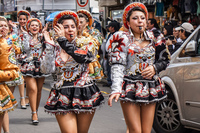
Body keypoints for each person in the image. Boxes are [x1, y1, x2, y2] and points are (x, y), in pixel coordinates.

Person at [107, 2, 170, 133]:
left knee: (146, 131)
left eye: (142, 18)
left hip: (150, 86)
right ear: (128, 23)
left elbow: (165, 59)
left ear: (146, 21)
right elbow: (117, 65)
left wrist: (154, 68)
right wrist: (116, 89)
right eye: (135, 18)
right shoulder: (121, 39)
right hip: (129, 85)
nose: (139, 21)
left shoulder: (156, 37)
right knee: (136, 130)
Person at [40, 10, 104, 133]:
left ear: (77, 28)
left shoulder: (87, 43)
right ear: (58, 29)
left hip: (84, 92)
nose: (70, 30)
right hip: (62, 92)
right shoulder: (54, 47)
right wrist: (49, 44)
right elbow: (46, 70)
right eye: (65, 27)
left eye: (73, 27)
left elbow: (83, 58)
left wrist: (63, 41)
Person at [20, 18, 50, 125]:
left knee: (39, 90)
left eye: (36, 25)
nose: (34, 27)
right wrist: (26, 36)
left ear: (40, 27)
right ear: (29, 27)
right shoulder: (25, 37)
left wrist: (46, 35)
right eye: (32, 25)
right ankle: (34, 113)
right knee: (32, 89)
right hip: (29, 65)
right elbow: (26, 49)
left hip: (40, 65)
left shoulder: (43, 38)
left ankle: (35, 110)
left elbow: (49, 48)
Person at [0, 16, 19, 133]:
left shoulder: (8, 43)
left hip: (2, 80)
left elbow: (12, 71)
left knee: (3, 109)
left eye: (4, 26)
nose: (2, 28)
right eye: (0, 26)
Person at [77, 9, 104, 80]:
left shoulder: (94, 32)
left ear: (87, 23)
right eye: (77, 22)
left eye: (81, 22)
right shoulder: (73, 32)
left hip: (90, 63)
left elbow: (96, 44)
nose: (79, 24)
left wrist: (83, 34)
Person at [103, 21, 119, 87]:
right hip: (108, 54)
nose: (108, 28)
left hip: (114, 55)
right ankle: (109, 81)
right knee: (109, 69)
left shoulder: (117, 35)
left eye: (109, 27)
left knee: (113, 69)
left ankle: (113, 82)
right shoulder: (110, 34)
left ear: (113, 28)